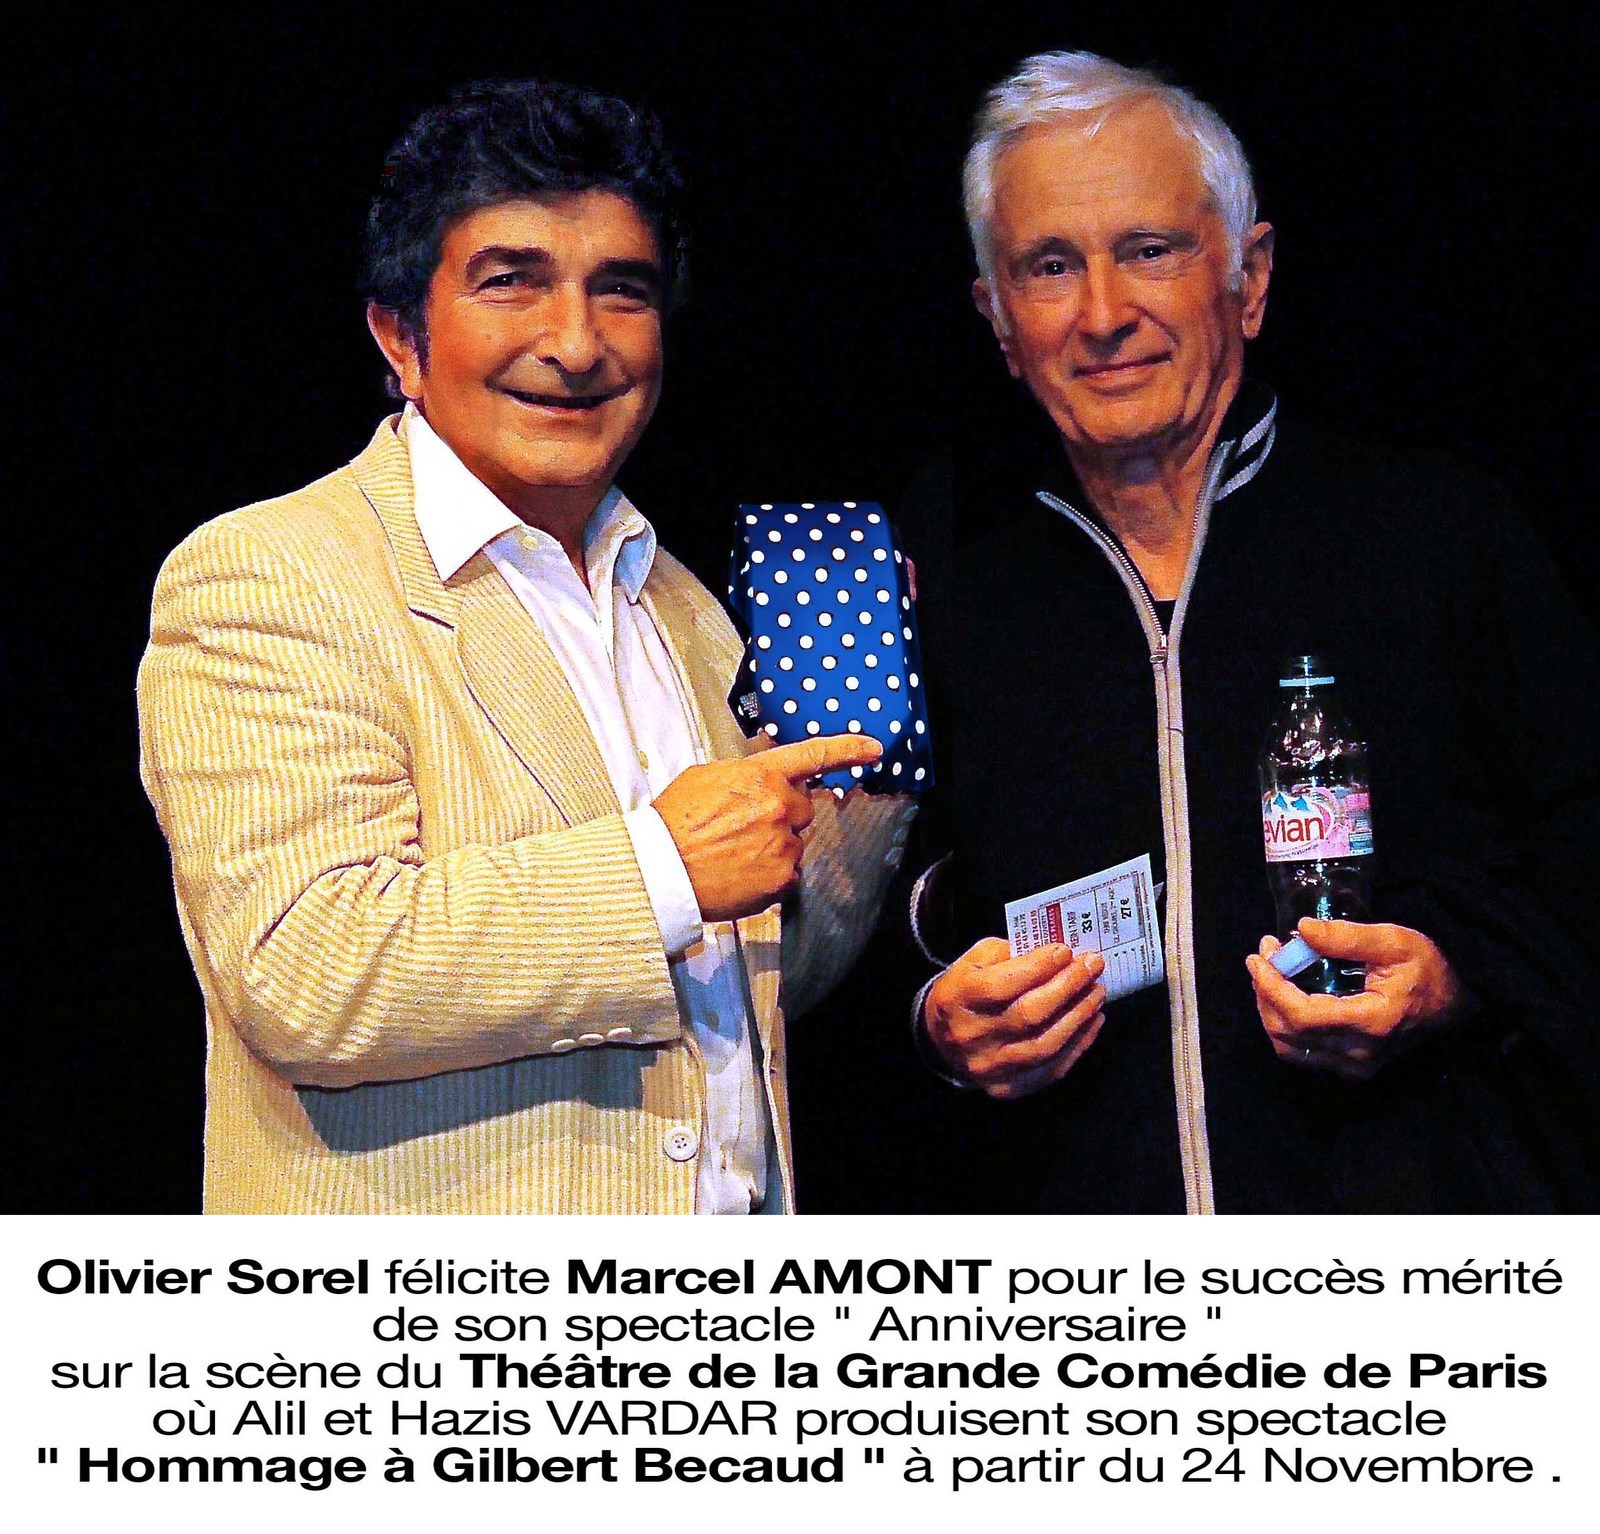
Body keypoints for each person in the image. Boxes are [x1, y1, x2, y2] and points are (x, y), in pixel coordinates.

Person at [137, 80, 912, 1215]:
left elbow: (752, 989)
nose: (577, 343)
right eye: (512, 281)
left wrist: (875, 757)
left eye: (622, 289)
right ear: (400, 335)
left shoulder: (687, 611)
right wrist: (660, 868)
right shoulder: (274, 572)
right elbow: (307, 965)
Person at [900, 51, 1600, 1213]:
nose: (1103, 315)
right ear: (998, 320)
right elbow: (875, 942)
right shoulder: (955, 606)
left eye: (1149, 251)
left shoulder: (1439, 538)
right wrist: (936, 1021)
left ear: (1250, 276)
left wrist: (1455, 978)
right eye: (1050, 266)